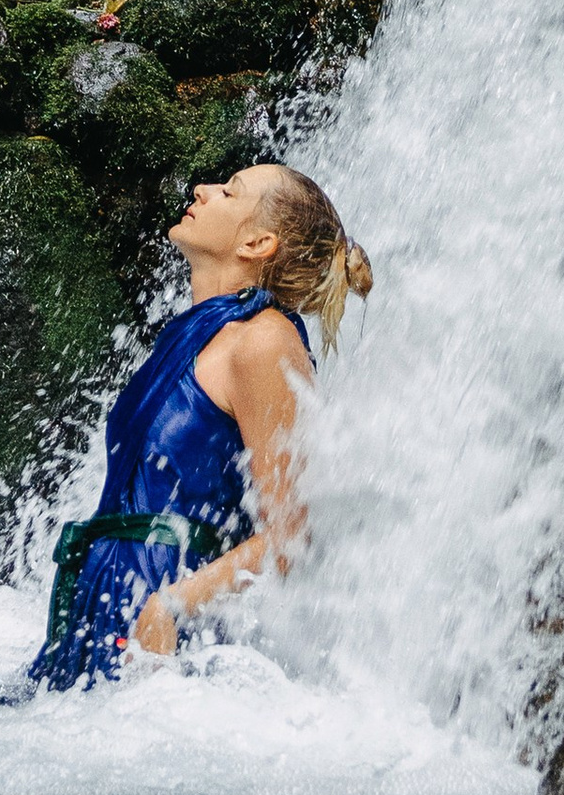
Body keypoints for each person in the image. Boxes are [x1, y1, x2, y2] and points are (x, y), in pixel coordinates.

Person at [30, 161, 372, 688]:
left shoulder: (264, 342)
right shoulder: (196, 334)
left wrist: (171, 606)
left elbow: (290, 535)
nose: (203, 190)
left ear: (258, 243)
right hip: (109, 602)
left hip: (171, 632)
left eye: (229, 192)